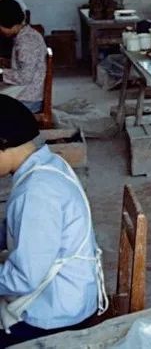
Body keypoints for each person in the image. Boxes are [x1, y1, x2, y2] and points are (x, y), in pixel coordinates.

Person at [0, 95, 107, 346]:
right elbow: (21, 227)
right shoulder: (48, 162)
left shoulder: (36, 192)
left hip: (57, 314)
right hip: (70, 294)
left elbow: (24, 278)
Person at [0, 0, 47, 114]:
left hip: (28, 99)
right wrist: (5, 63)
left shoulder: (26, 42)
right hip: (27, 92)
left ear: (10, 24)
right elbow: (24, 64)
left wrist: (1, 73)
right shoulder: (26, 34)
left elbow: (24, 77)